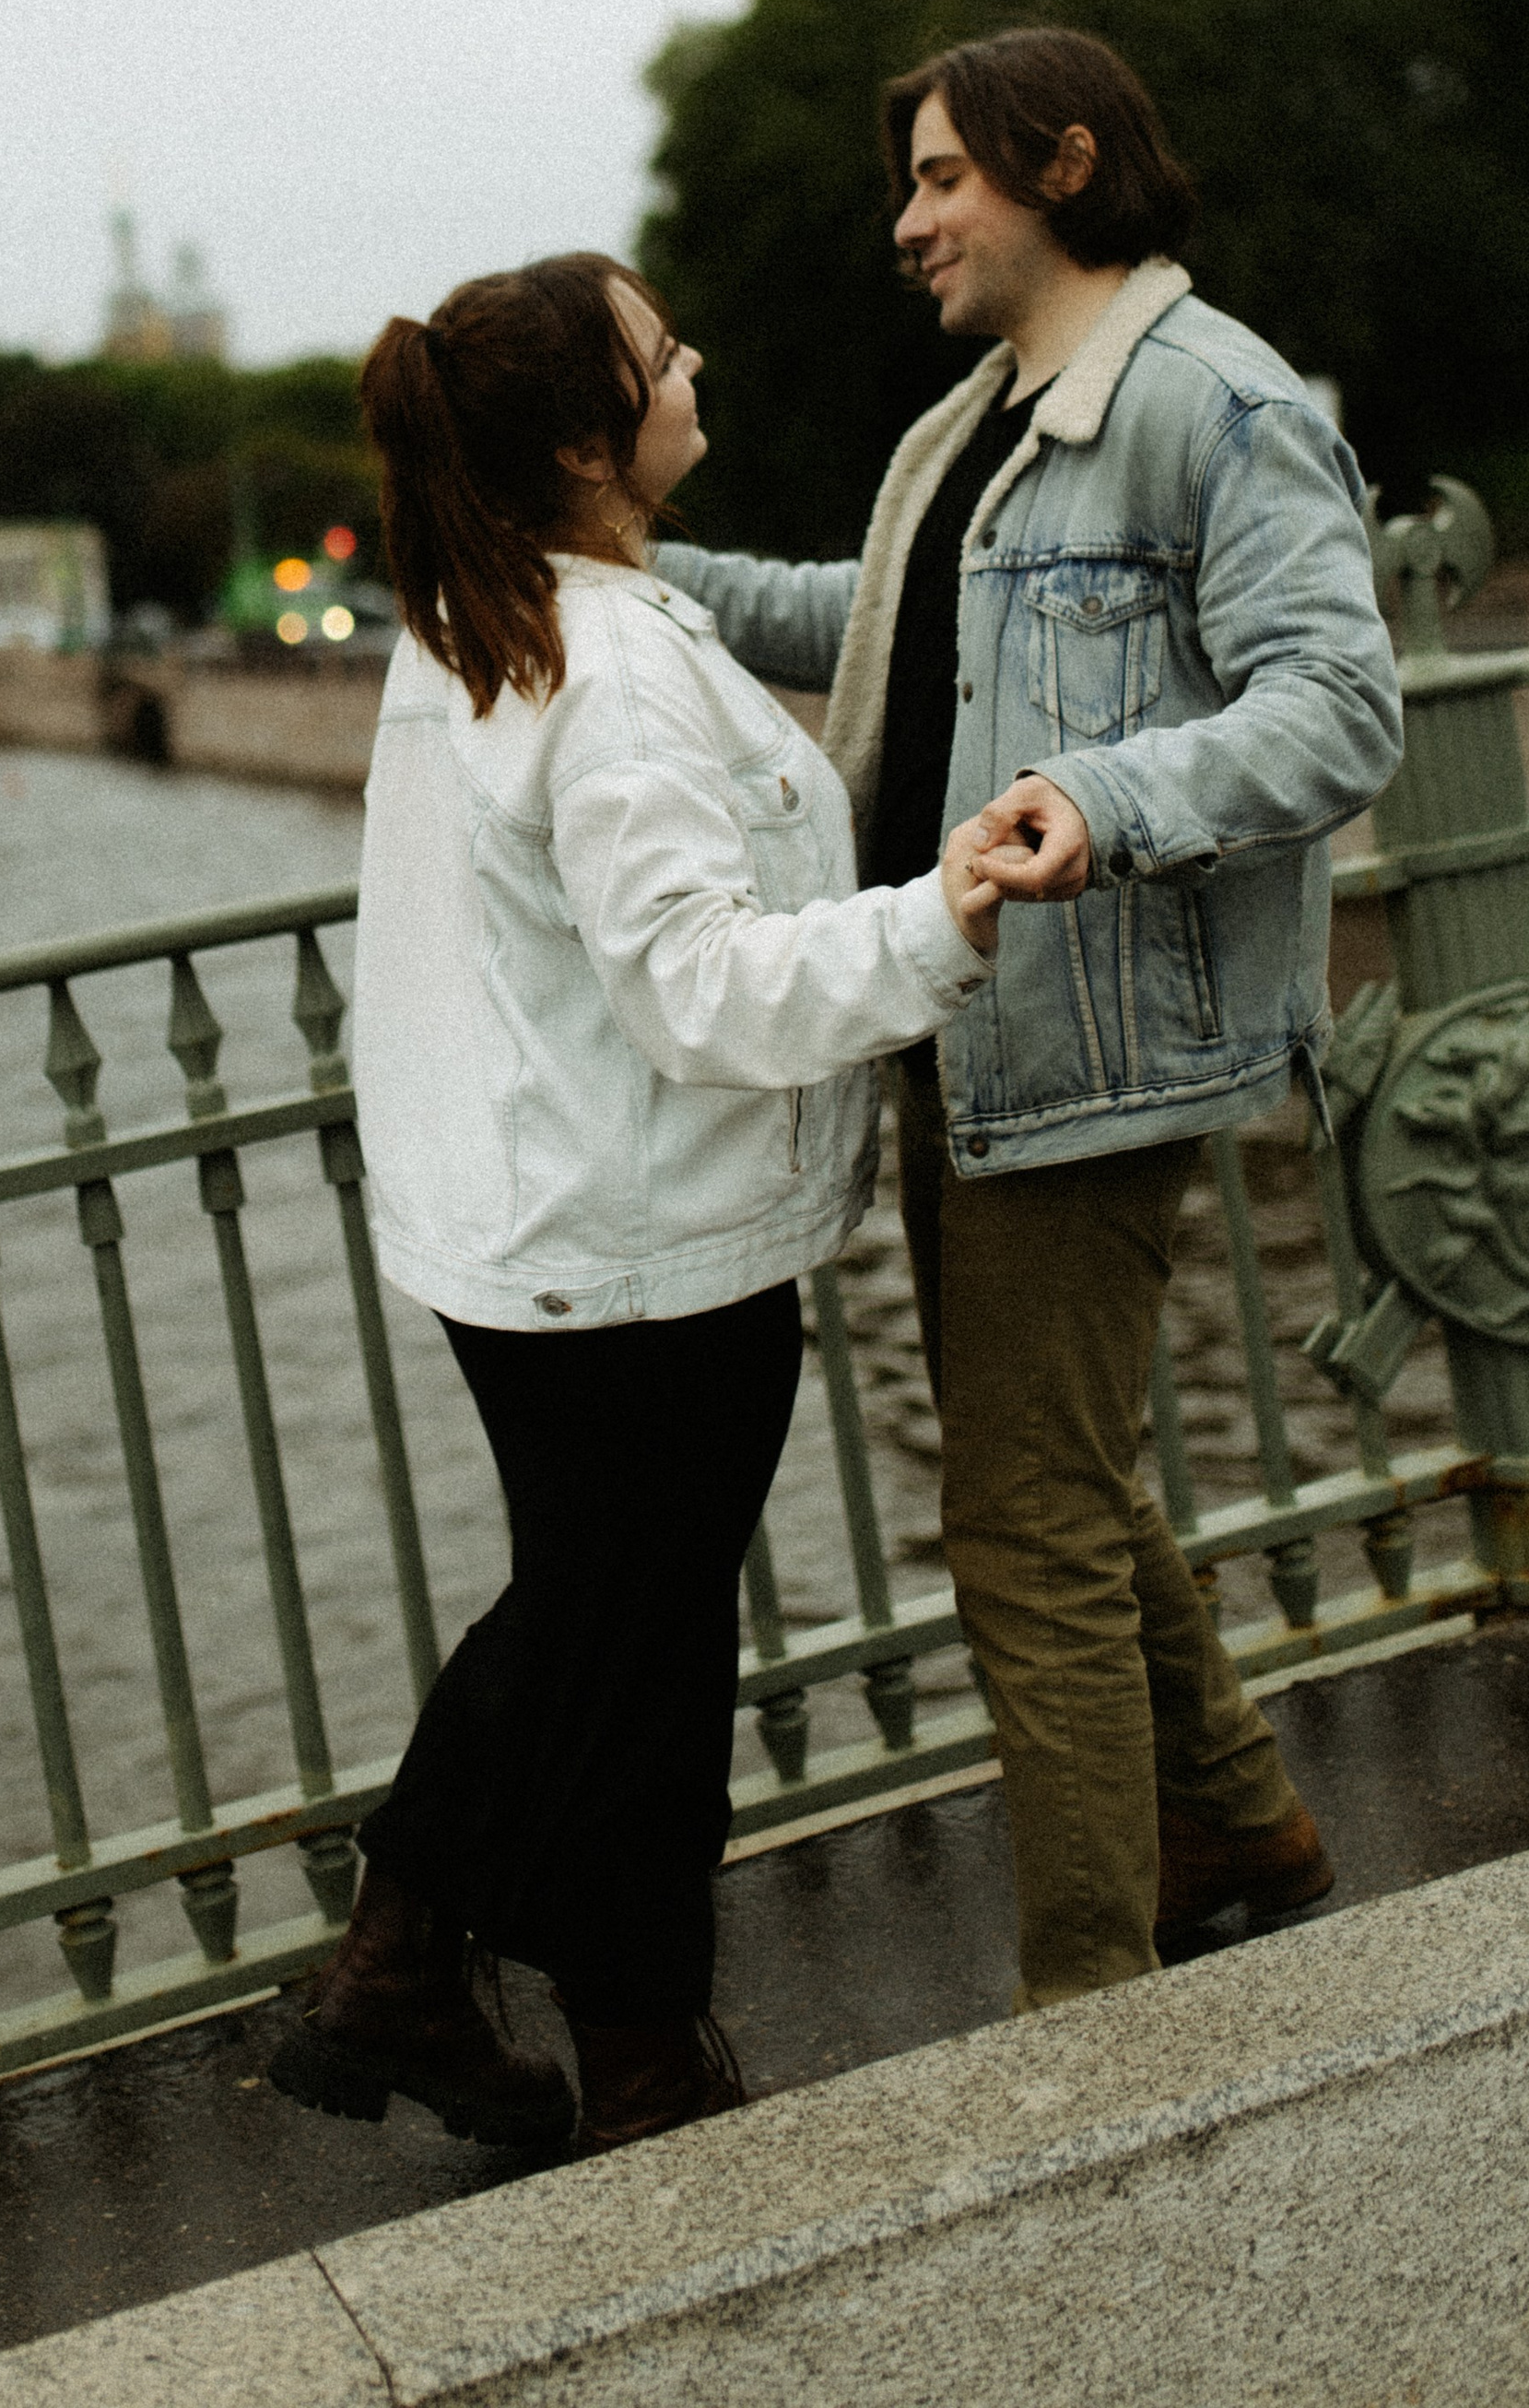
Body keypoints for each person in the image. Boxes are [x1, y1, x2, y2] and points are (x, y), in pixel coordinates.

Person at [658, 26, 1404, 2007]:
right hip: (963, 1024)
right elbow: (878, 631)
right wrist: (628, 579)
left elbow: (1335, 705)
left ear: (1059, 165)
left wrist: (1108, 800)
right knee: (1051, 1483)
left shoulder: (1208, 402)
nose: (903, 223)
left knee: (1016, 1528)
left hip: (1090, 1051)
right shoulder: (979, 418)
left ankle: (1089, 1998)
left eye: (934, 179)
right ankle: (1237, 1816)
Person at [270, 251, 1002, 2157]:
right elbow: (693, 986)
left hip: (537, 1217)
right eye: (665, 352)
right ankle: (441, 1973)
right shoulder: (596, 673)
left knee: (613, 1641)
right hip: (630, 1238)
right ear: (596, 443)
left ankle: (583, 2032)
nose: (697, 362)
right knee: (624, 1647)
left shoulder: (483, 620)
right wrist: (942, 921)